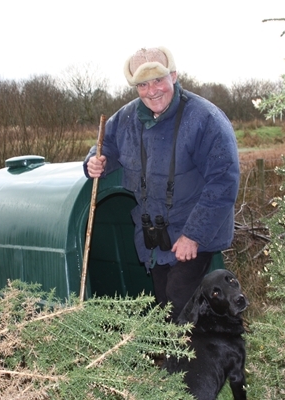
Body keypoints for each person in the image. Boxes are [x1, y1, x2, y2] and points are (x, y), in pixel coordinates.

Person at [83, 47, 240, 322]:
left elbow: (224, 181)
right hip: (153, 237)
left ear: (174, 76)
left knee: (181, 301)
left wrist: (194, 235)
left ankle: (193, 363)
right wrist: (93, 163)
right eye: (143, 84)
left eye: (158, 80)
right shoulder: (125, 118)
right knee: (163, 301)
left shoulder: (206, 119)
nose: (152, 91)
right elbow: (103, 147)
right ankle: (175, 362)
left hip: (193, 231)